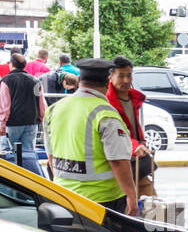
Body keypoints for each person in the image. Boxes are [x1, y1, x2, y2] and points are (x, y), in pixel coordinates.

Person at [42, 58, 137, 214]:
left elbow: (51, 156)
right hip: (102, 200)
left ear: (79, 80)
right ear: (108, 82)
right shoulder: (105, 114)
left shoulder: (53, 109)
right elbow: (118, 161)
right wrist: (132, 198)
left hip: (63, 195)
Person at [107, 56, 155, 197]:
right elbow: (116, 133)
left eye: (129, 75)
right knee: (137, 198)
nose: (126, 80)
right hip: (120, 159)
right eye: (121, 76)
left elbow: (132, 127)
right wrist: (135, 147)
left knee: (146, 196)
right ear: (110, 76)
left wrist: (141, 144)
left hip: (134, 158)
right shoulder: (107, 102)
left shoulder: (133, 99)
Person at [0, 53, 46, 175]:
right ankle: (28, 182)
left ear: (11, 64)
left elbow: (5, 105)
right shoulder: (35, 80)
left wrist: (2, 124)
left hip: (13, 123)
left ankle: (12, 184)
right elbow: (41, 103)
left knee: (9, 155)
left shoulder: (6, 81)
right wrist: (41, 119)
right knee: (28, 155)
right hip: (32, 123)